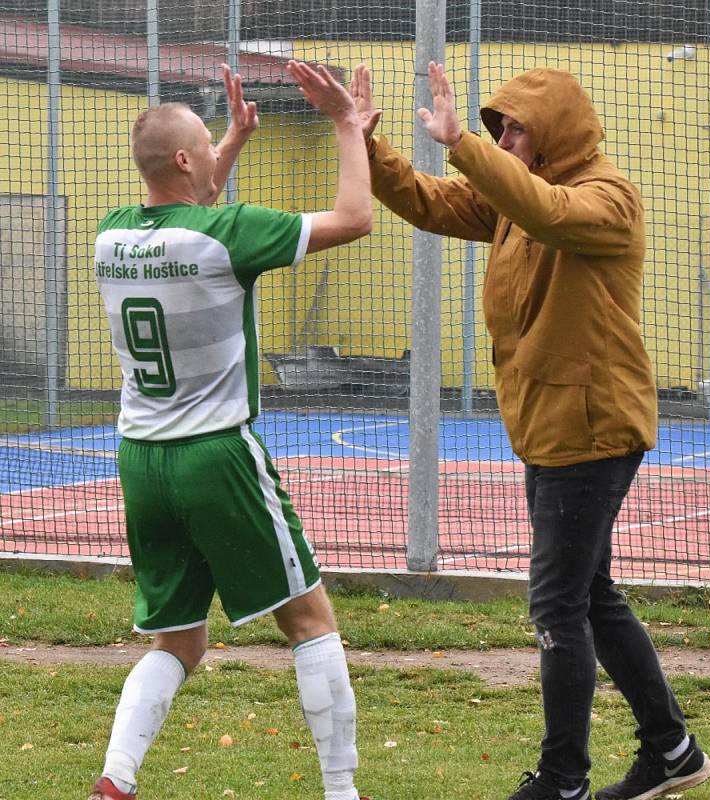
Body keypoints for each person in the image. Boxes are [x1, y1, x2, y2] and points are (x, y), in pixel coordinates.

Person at [349, 62, 710, 800]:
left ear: (553, 131)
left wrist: (461, 143)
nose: (503, 138)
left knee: (556, 602)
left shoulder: (606, 198)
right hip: (551, 425)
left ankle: (562, 780)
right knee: (591, 593)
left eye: (514, 127)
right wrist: (366, 145)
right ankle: (672, 752)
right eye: (497, 129)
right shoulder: (514, 197)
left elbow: (549, 211)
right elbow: (430, 202)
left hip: (592, 427)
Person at [88, 60, 371, 800]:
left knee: (178, 640)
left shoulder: (112, 237)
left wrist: (235, 139)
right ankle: (343, 793)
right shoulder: (226, 237)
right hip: (216, 452)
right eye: (206, 145)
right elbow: (354, 218)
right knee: (309, 618)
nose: (217, 152)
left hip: (140, 457)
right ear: (185, 159)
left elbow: (189, 207)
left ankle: (115, 780)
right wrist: (346, 127)